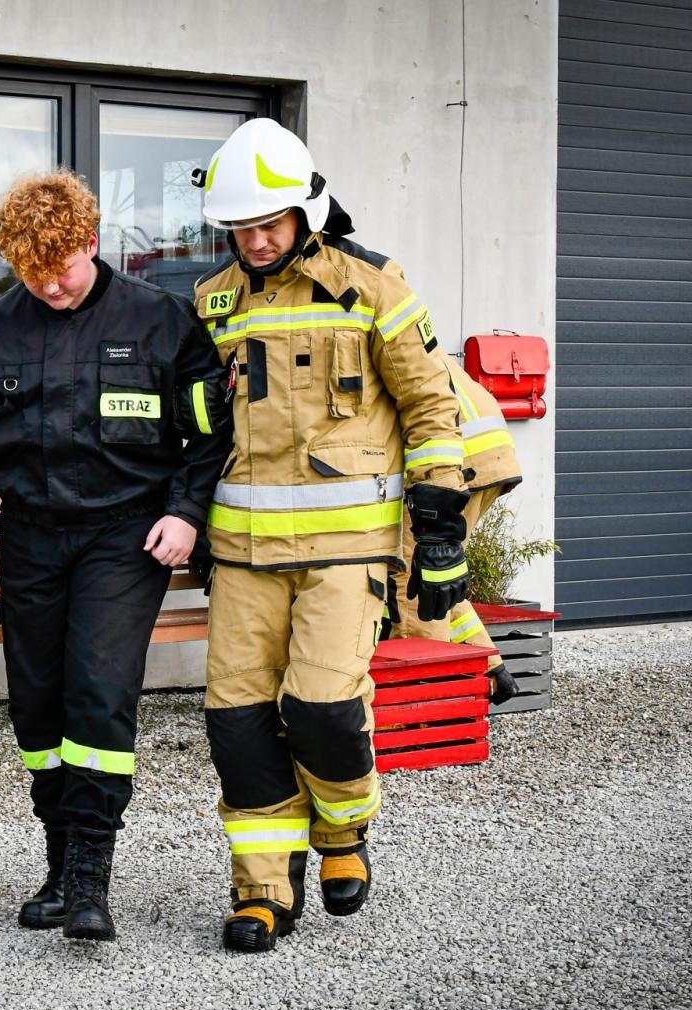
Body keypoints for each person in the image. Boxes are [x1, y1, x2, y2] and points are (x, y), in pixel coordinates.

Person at [192, 118, 470, 952]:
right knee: (237, 724)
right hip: (241, 556)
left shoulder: (374, 288)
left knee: (322, 709)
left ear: (308, 213)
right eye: (240, 229)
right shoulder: (213, 302)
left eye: (269, 225)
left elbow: (431, 408)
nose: (255, 241)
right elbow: (194, 428)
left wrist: (443, 529)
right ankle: (263, 887)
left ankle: (343, 835)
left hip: (348, 552)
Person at [0, 170, 231, 941]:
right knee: (37, 708)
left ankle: (92, 878)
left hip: (125, 536)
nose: (50, 286)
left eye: (61, 268)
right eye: (31, 273)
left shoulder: (162, 320)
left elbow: (209, 435)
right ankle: (59, 862)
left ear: (91, 244)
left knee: (98, 693)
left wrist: (186, 514)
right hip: (32, 535)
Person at [388, 358, 524, 703]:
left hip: (448, 466)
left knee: (408, 592)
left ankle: (416, 718)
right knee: (435, 578)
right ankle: (491, 670)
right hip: (484, 455)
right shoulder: (403, 336)